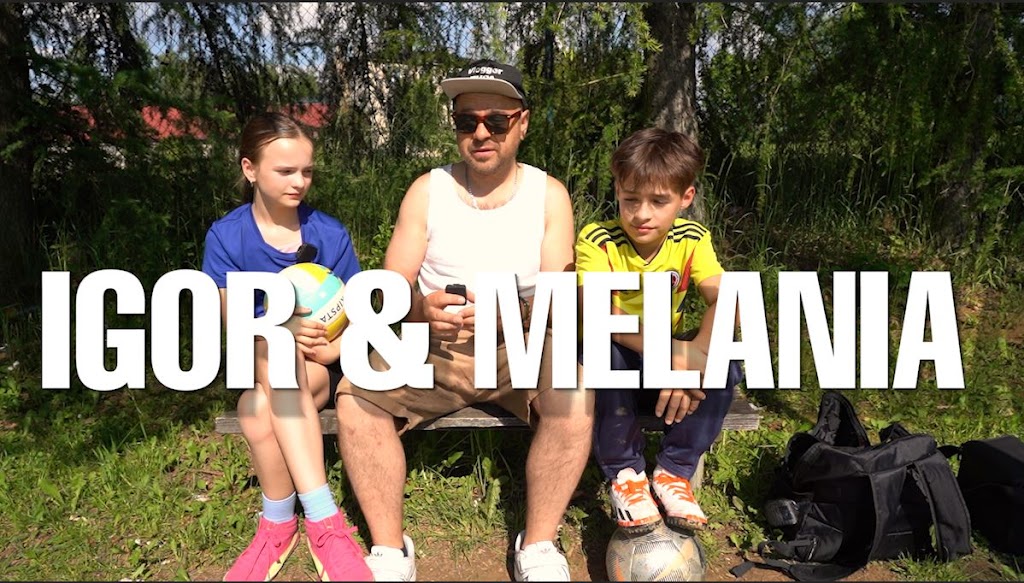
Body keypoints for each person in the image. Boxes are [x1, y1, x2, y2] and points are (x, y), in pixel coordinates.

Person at [333, 59, 593, 582]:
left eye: (496, 121)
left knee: (576, 395)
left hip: (520, 343)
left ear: (523, 123)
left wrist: (511, 312)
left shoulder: (549, 195)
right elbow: (391, 285)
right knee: (356, 397)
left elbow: (560, 295)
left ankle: (538, 544)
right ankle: (389, 549)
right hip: (434, 346)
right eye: (466, 121)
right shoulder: (426, 190)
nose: (480, 133)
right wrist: (419, 310)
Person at [201, 112, 372, 582]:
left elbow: (360, 313)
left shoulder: (329, 234)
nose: (299, 182)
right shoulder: (226, 236)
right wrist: (282, 328)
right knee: (260, 393)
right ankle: (311, 522)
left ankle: (291, 523)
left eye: (307, 171)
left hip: (321, 364)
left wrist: (334, 351)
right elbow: (236, 324)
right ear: (250, 169)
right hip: (263, 359)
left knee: (256, 406)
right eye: (285, 171)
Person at [574, 127, 744, 534]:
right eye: (630, 199)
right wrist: (674, 354)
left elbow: (729, 301)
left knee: (724, 360)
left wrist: (694, 359)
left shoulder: (693, 238)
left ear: (686, 198)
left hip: (666, 363)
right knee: (604, 353)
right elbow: (598, 313)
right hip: (616, 363)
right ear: (617, 190)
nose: (642, 214)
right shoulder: (598, 239)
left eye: (658, 201)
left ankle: (674, 472)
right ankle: (625, 474)